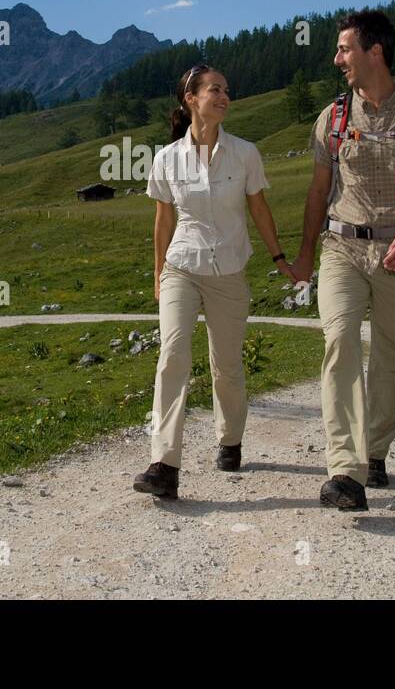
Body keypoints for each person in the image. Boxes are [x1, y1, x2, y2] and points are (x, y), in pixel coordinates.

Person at [291, 10, 395, 511]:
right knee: (339, 342)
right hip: (341, 246)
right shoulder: (332, 118)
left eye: (344, 49)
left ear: (374, 52)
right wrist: (303, 256)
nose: (337, 58)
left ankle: (375, 449)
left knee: (389, 355)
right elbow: (318, 193)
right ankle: (344, 469)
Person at [134, 63, 292, 501]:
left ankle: (230, 438)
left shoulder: (245, 153)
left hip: (228, 273)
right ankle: (164, 464)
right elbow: (163, 221)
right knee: (172, 355)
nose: (224, 96)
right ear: (191, 99)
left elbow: (259, 209)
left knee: (227, 366)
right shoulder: (167, 158)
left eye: (227, 90)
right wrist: (158, 274)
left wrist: (278, 255)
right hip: (180, 267)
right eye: (215, 90)